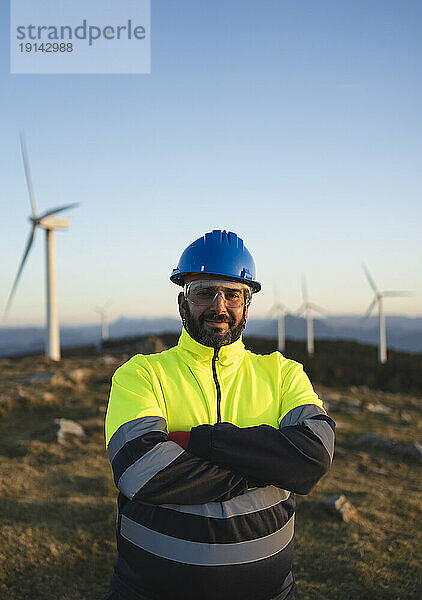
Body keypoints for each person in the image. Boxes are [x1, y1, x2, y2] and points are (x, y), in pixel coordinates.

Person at [103, 229, 335, 600]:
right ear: (183, 302)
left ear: (247, 304)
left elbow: (313, 455)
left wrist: (197, 443)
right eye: (204, 292)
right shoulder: (141, 374)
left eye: (233, 294)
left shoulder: (283, 373)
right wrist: (268, 467)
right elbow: (141, 472)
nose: (219, 306)